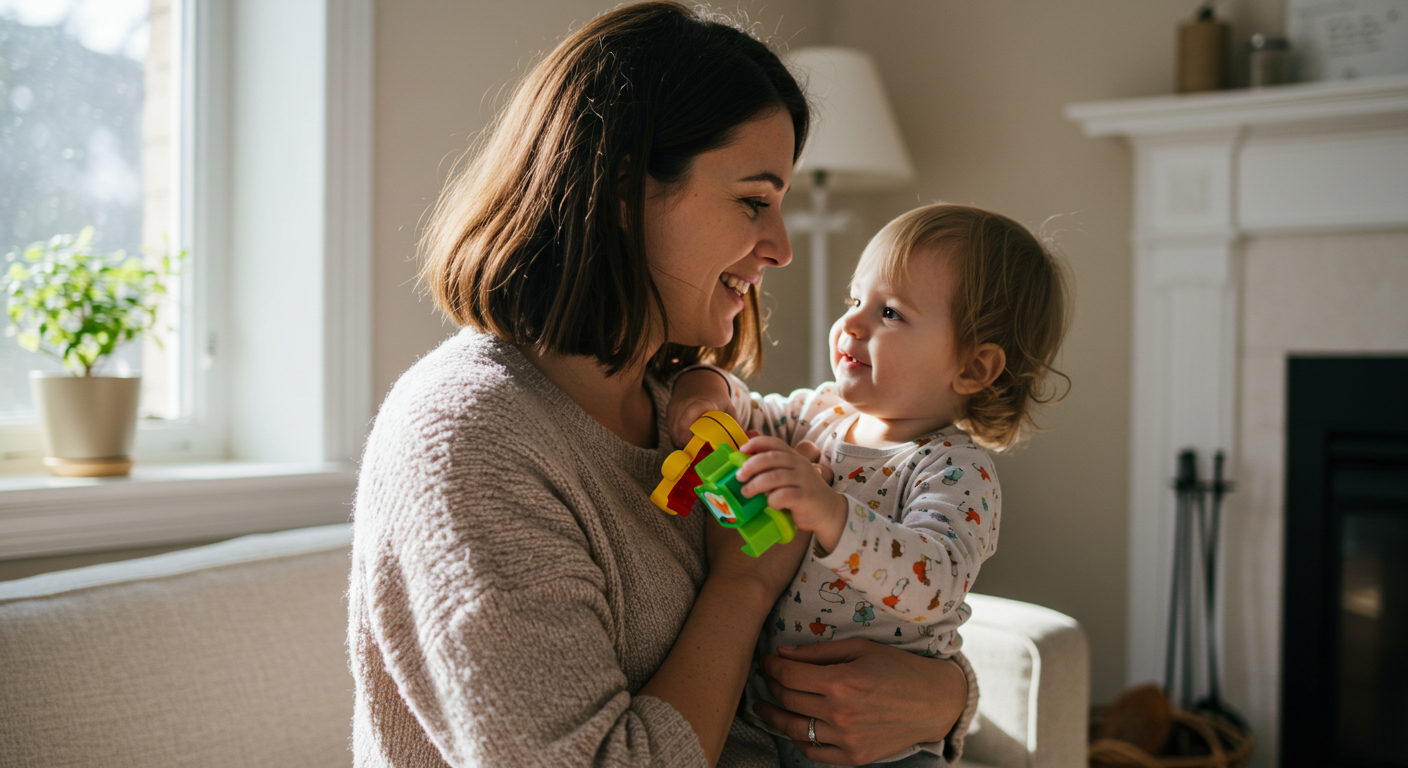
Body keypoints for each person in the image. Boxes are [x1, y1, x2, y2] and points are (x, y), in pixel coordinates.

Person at [348, 4, 976, 767]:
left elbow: (862, 608)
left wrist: (945, 698)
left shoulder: (692, 406)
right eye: (754, 200)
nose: (779, 249)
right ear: (619, 193)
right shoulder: (470, 441)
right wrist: (741, 587)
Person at [666, 203, 1070, 767]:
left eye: (891, 313)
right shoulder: (817, 415)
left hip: (887, 750)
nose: (852, 324)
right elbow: (747, 413)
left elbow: (937, 583)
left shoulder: (955, 470)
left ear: (974, 369)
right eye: (855, 301)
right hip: (768, 719)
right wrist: (705, 385)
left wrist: (832, 514)